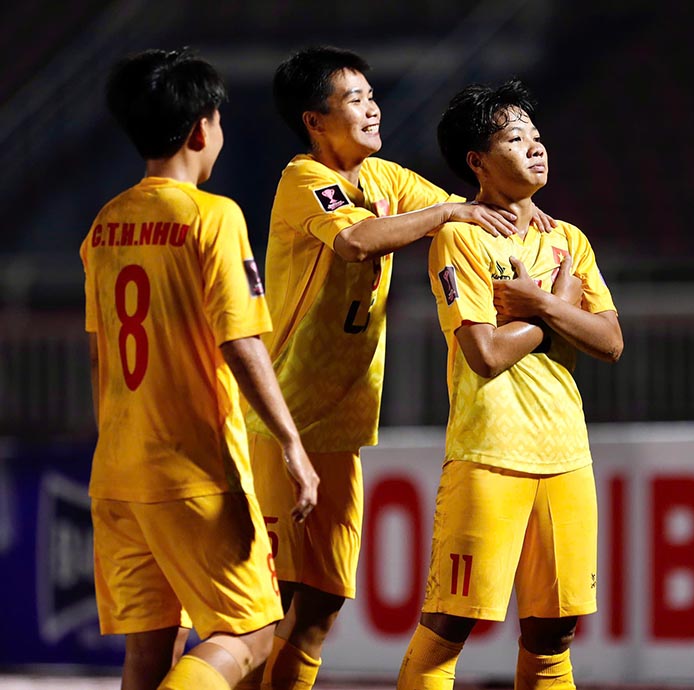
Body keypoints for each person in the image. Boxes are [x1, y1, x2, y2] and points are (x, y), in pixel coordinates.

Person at [240, 46, 554, 689]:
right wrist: (452, 213)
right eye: (353, 98)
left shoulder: (383, 178)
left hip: (339, 425)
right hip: (283, 423)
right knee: (266, 608)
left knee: (322, 603)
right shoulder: (303, 179)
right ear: (314, 121)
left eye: (371, 94)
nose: (373, 106)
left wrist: (519, 214)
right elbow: (360, 239)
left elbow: (465, 213)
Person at [81, 48, 319, 690]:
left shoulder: (105, 225)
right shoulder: (214, 217)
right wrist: (293, 447)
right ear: (200, 129)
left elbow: (103, 352)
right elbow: (241, 342)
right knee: (250, 633)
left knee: (151, 652)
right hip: (191, 470)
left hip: (117, 471)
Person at [396, 79, 623, 690]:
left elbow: (610, 342)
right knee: (449, 627)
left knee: (554, 636)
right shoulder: (460, 238)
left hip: (566, 456)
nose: (536, 147)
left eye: (538, 136)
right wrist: (552, 308)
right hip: (489, 456)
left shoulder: (567, 239)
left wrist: (537, 307)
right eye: (516, 137)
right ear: (477, 161)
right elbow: (485, 354)